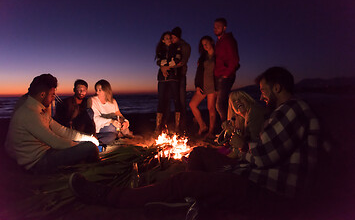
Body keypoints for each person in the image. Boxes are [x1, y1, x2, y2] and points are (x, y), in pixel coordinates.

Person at [68, 67, 321, 213]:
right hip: (250, 172)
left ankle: (106, 195)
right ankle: (191, 204)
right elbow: (265, 152)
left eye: (264, 90)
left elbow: (263, 157)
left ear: (277, 88)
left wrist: (242, 145)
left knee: (182, 180)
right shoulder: (287, 112)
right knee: (198, 153)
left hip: (263, 190)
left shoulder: (292, 109)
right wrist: (242, 146)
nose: (262, 95)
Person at [5, 74, 100, 174]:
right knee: (90, 148)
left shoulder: (39, 110)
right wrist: (81, 146)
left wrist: (88, 137)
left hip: (47, 151)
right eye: (52, 95)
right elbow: (55, 142)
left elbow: (62, 130)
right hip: (38, 162)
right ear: (42, 95)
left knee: (87, 144)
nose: (53, 98)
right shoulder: (29, 113)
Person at [188, 90, 268, 172]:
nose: (237, 101)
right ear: (232, 108)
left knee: (198, 153)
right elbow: (229, 145)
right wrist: (228, 131)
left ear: (247, 99)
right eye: (234, 101)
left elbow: (238, 152)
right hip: (242, 156)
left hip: (249, 162)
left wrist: (218, 149)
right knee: (205, 151)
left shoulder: (254, 113)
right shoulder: (240, 120)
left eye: (241, 98)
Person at [88, 79, 133, 145]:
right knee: (113, 128)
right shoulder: (92, 100)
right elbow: (95, 118)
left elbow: (118, 114)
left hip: (114, 126)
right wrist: (111, 121)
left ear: (106, 90)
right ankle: (122, 135)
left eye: (100, 90)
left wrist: (125, 121)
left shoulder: (113, 101)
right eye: (96, 90)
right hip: (101, 127)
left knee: (122, 126)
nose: (97, 92)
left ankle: (124, 135)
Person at [189, 36, 217, 139]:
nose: (204, 46)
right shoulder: (202, 57)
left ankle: (211, 131)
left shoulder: (217, 55)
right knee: (192, 104)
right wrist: (197, 86)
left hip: (213, 86)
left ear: (211, 42)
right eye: (203, 44)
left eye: (206, 43)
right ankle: (202, 126)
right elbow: (198, 73)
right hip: (203, 85)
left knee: (210, 108)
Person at [213, 18, 240, 124]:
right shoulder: (219, 42)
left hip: (225, 76)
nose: (215, 29)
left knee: (220, 104)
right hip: (219, 75)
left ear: (224, 28)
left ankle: (227, 129)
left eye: (218, 27)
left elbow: (235, 60)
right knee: (221, 104)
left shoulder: (228, 40)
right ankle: (226, 128)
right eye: (214, 27)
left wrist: (226, 74)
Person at [154, 31, 181, 133]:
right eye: (166, 38)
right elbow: (158, 61)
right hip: (162, 78)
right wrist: (163, 67)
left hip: (173, 76)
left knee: (176, 100)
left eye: (169, 37)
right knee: (161, 100)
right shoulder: (160, 50)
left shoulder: (176, 47)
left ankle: (177, 126)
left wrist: (166, 67)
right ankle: (157, 127)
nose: (168, 39)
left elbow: (177, 60)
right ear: (163, 40)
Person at [170, 27, 191, 132]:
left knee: (181, 101)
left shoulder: (185, 46)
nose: (172, 39)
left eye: (173, 37)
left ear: (177, 37)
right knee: (175, 100)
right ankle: (176, 125)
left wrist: (170, 67)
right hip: (172, 76)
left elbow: (183, 61)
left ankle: (183, 125)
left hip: (181, 75)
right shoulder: (173, 46)